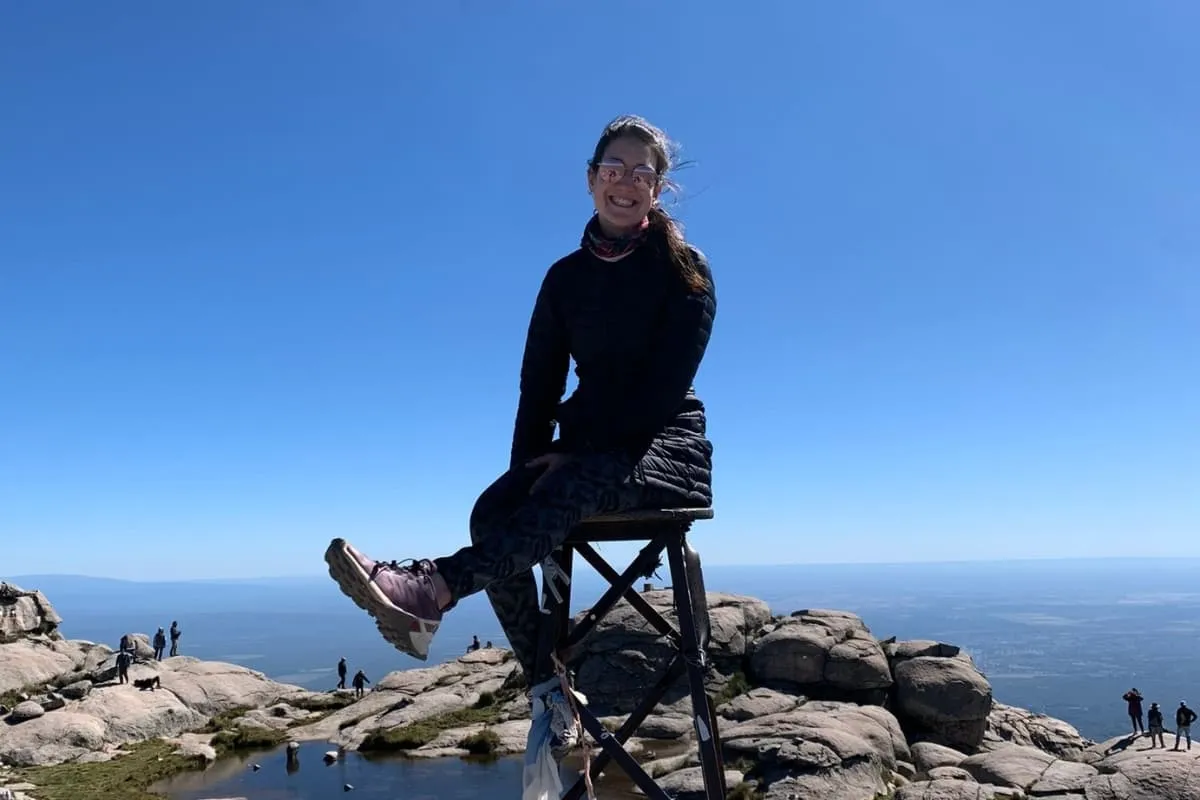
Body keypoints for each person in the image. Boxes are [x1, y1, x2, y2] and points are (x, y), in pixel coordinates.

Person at [324, 115, 716, 761]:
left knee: (576, 480)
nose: (625, 184)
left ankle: (435, 587)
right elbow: (538, 387)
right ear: (591, 179)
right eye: (613, 170)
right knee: (492, 512)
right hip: (585, 450)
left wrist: (575, 458)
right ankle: (548, 688)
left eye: (640, 174)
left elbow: (661, 394)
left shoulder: (686, 270)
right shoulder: (564, 279)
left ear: (658, 188)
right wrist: (523, 485)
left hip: (664, 449)